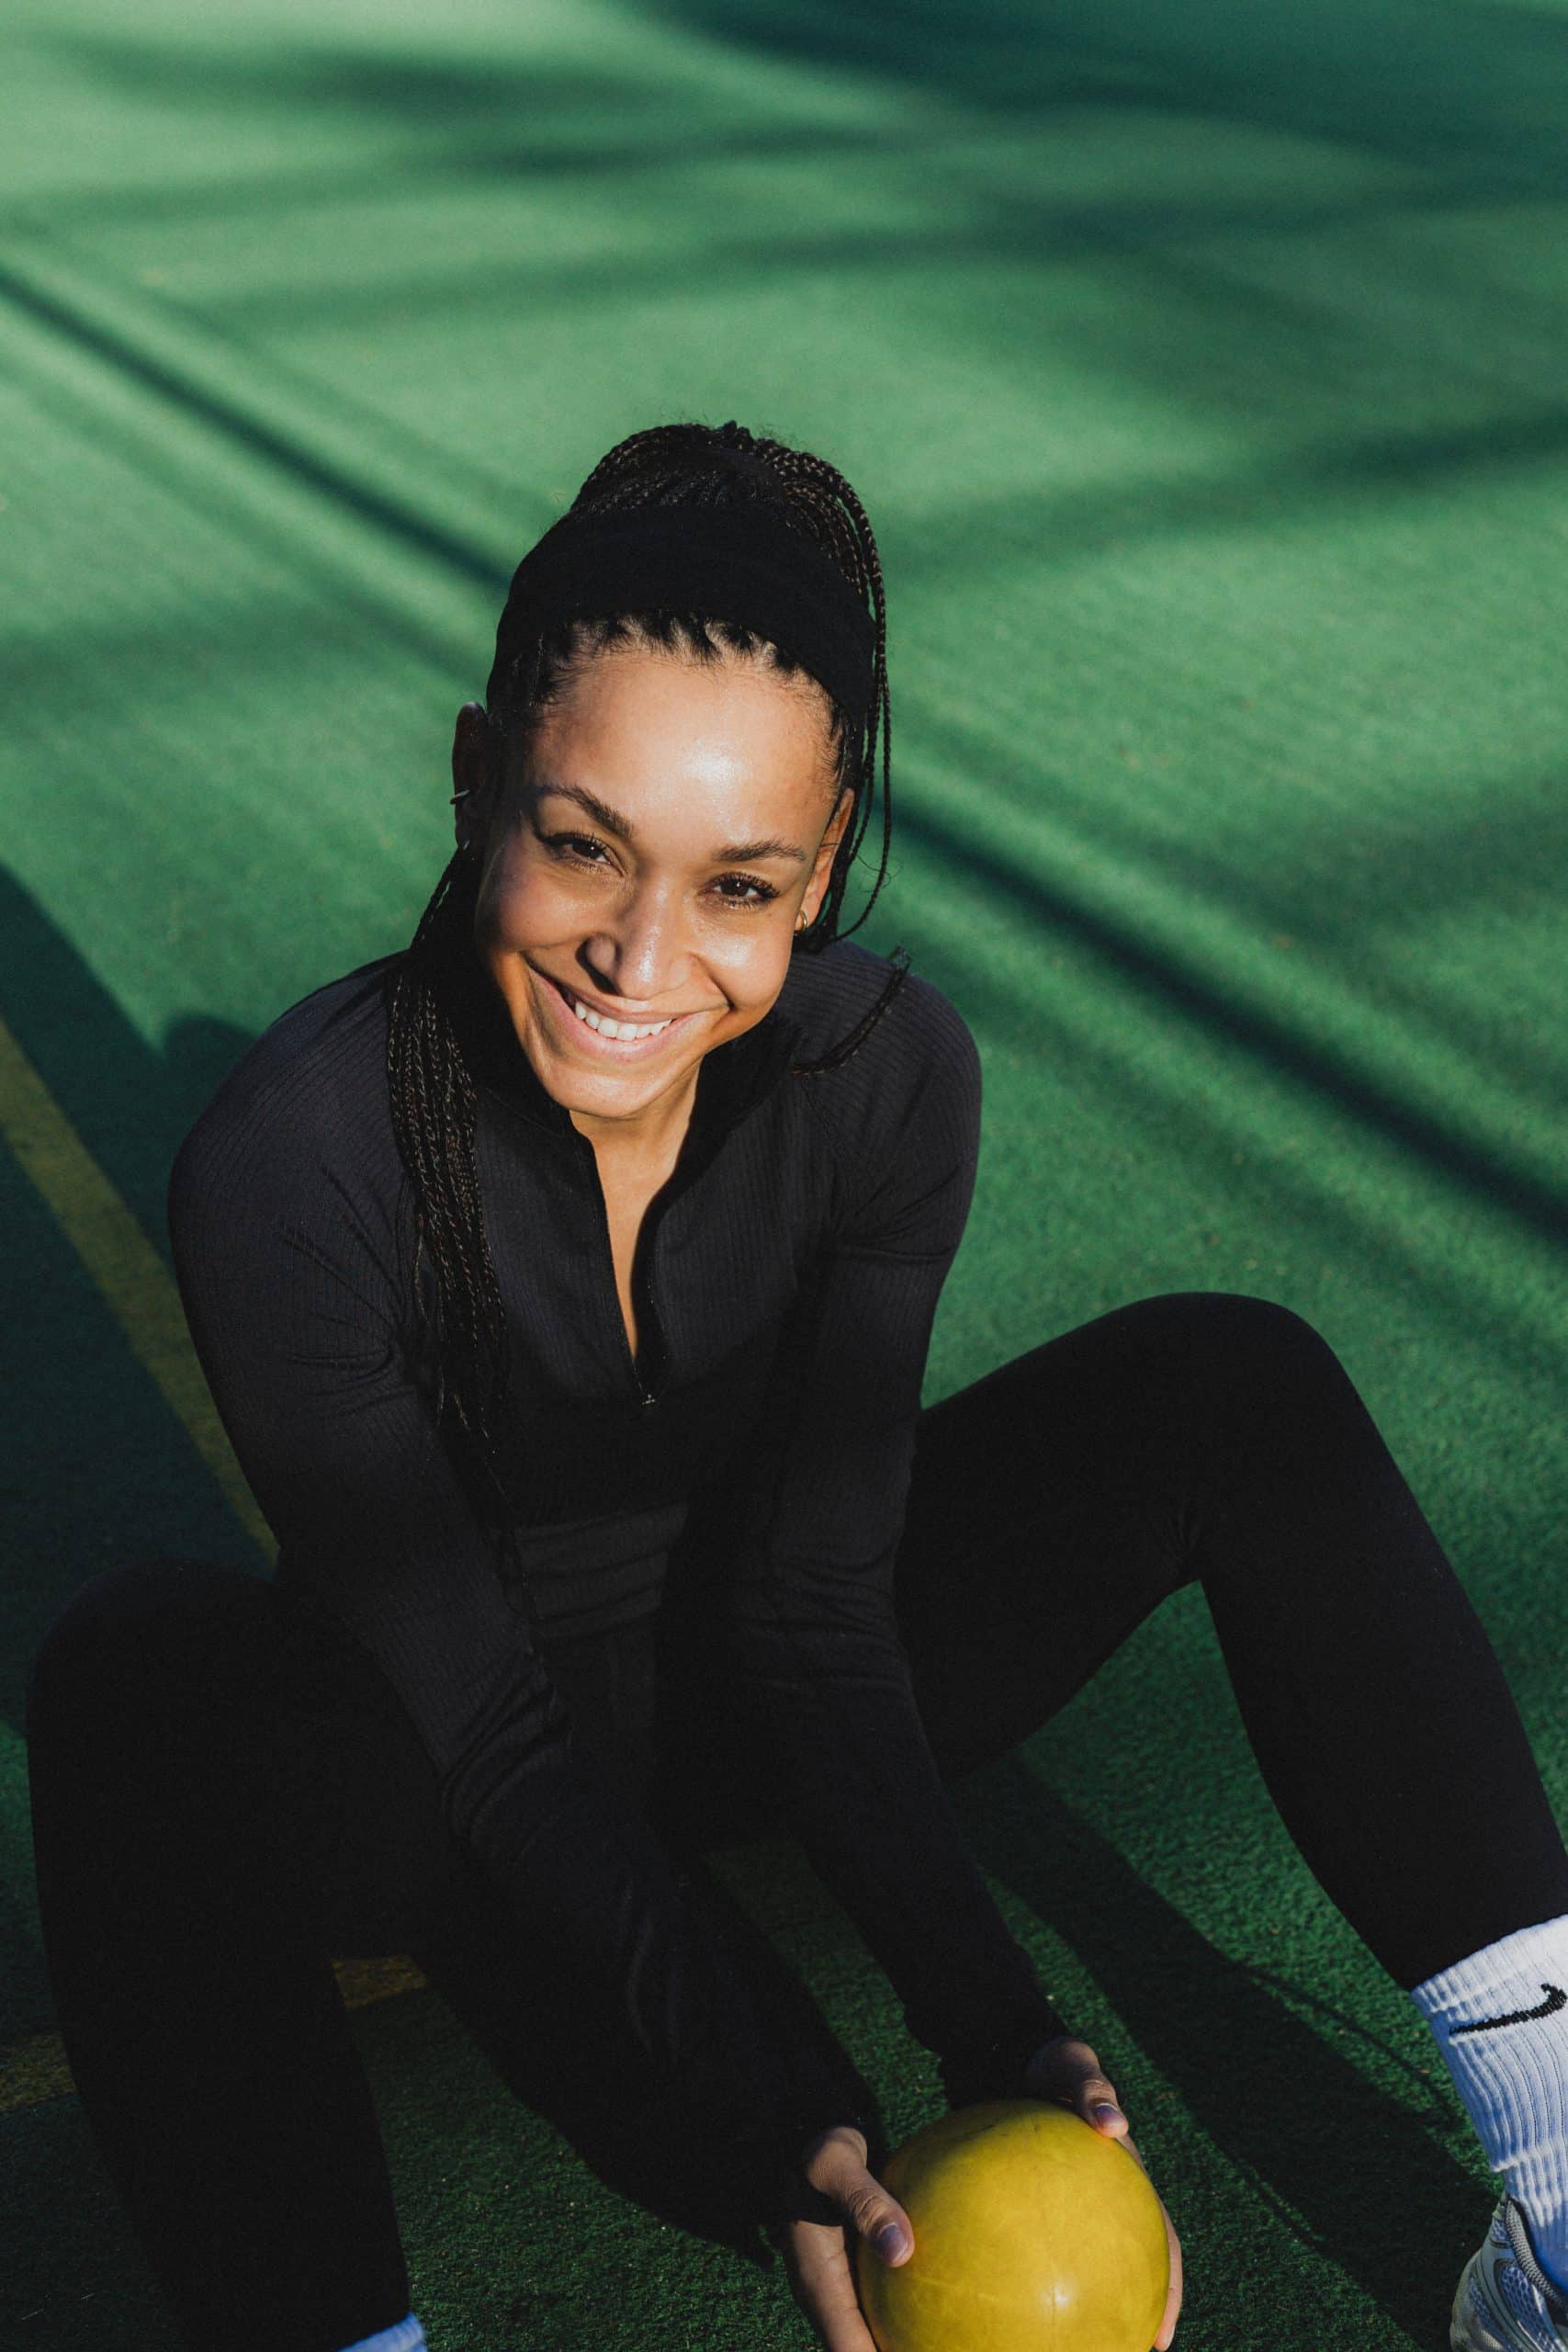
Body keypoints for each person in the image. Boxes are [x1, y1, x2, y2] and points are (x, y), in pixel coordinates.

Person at [23, 416, 1568, 2352]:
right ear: (478, 778)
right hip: (446, 1768)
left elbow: (817, 1596)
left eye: (739, 886)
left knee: (1228, 1382)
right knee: (128, 1679)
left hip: (767, 1680)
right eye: (582, 845)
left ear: (821, 864)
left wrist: (991, 2025)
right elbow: (487, 1730)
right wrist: (778, 2117)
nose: (640, 957)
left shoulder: (886, 1073)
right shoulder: (285, 1160)